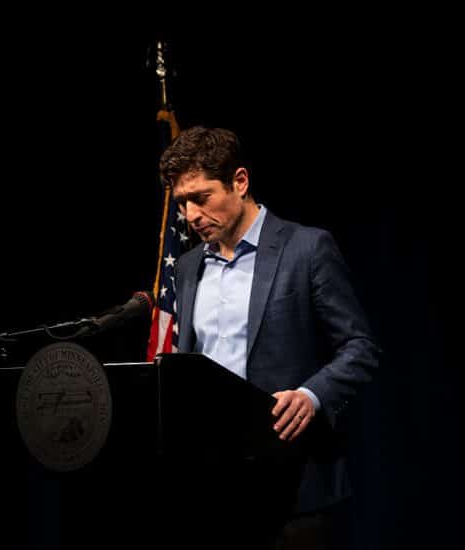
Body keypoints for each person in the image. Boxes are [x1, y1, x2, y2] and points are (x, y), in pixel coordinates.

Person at [162, 126, 381, 549]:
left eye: (201, 198)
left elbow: (360, 348)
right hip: (213, 490)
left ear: (240, 182)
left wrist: (311, 396)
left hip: (295, 488)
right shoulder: (188, 267)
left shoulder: (307, 249)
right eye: (182, 203)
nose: (190, 215)